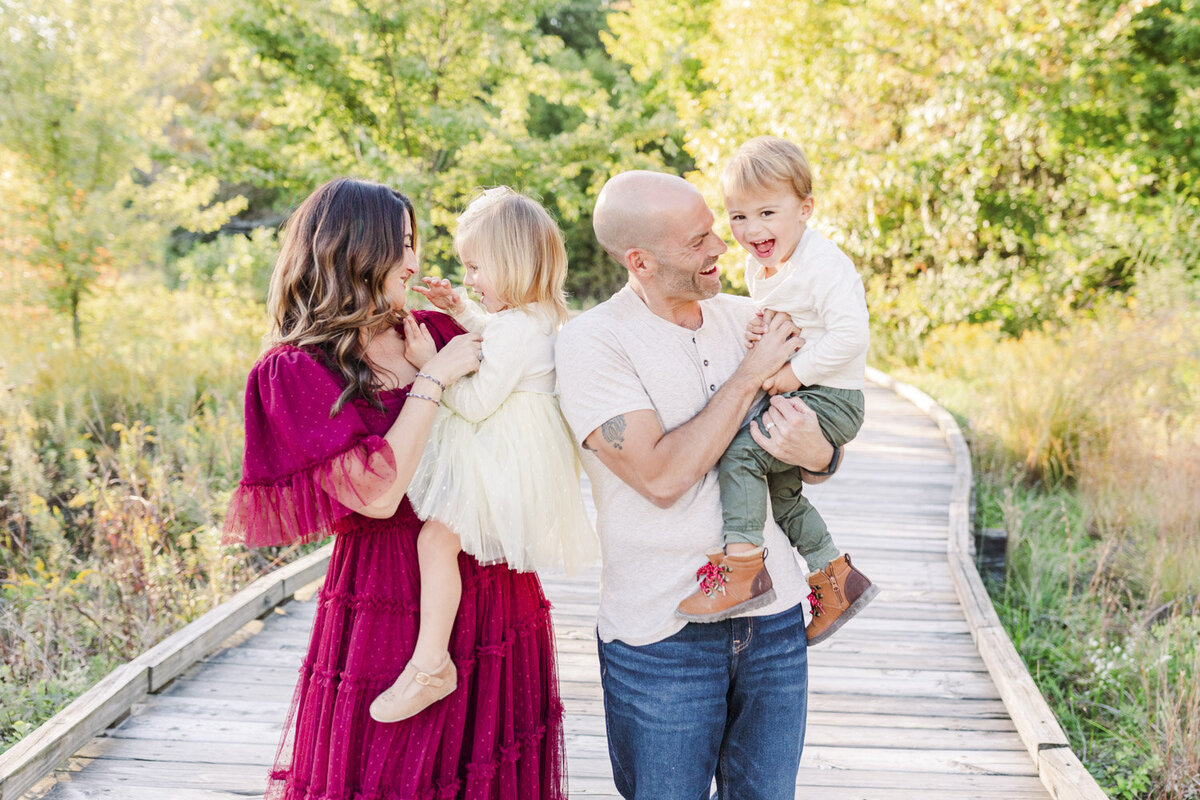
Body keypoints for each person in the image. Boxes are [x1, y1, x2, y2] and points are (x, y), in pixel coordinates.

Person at [222, 177, 566, 800]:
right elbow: (378, 495)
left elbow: (534, 370)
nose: (414, 261)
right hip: (389, 594)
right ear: (354, 250)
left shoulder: (432, 326)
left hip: (489, 571)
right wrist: (430, 379)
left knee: (489, 769)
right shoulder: (297, 369)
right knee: (386, 773)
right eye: (401, 244)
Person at [555, 170, 840, 800]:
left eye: (715, 229)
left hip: (774, 618)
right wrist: (751, 375)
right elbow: (659, 477)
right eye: (698, 240)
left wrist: (817, 450)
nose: (721, 247)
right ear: (641, 260)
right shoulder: (590, 345)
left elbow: (819, 456)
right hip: (662, 632)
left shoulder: (749, 318)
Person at [369, 187, 596, 723]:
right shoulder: (536, 316)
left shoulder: (518, 329)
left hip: (501, 450)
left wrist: (432, 366)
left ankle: (431, 663)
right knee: (441, 540)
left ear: (512, 263)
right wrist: (462, 309)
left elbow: (475, 402)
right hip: (522, 453)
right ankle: (431, 662)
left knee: (434, 540)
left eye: (476, 268)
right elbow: (498, 335)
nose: (467, 278)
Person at [675, 135, 878, 645]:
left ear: (805, 208)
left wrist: (792, 374)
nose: (752, 229)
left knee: (741, 456)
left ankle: (743, 567)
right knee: (782, 494)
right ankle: (836, 579)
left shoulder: (822, 261)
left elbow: (852, 335)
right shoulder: (760, 266)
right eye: (739, 216)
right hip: (806, 390)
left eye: (767, 212)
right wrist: (760, 332)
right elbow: (787, 319)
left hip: (830, 395)